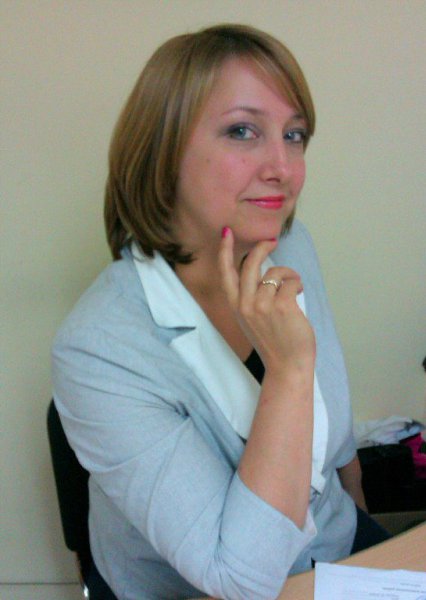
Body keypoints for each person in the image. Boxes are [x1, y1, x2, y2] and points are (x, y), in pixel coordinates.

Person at [52, 23, 389, 600]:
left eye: (294, 135)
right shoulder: (97, 349)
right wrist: (288, 371)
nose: (283, 167)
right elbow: (238, 579)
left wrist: (360, 528)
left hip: (331, 555)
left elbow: (334, 446)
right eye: (242, 131)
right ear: (162, 151)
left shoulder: (290, 245)